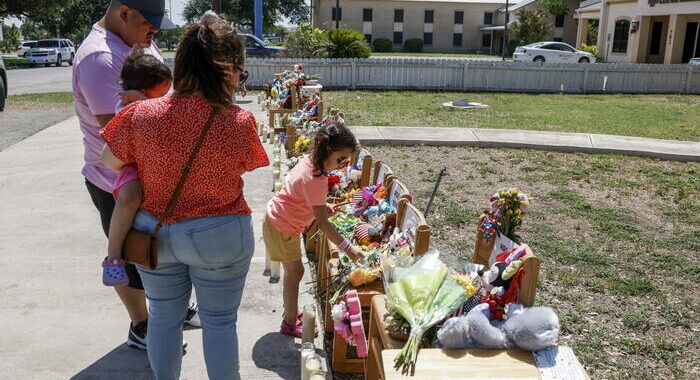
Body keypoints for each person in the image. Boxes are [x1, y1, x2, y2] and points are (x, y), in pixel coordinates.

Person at [100, 15, 269, 380]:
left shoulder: (140, 114)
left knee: (162, 317)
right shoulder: (239, 120)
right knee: (220, 323)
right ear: (229, 69)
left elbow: (110, 161)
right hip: (219, 233)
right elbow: (247, 164)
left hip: (155, 233)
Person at [72, 0, 198, 350]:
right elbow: (119, 134)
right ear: (123, 12)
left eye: (156, 28)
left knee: (158, 251)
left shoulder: (136, 41)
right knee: (132, 256)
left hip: (150, 174)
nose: (152, 33)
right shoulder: (101, 58)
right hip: (118, 181)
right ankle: (141, 326)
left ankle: (168, 310)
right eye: (148, 24)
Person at [264, 123, 364, 337]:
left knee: (294, 272)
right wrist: (350, 250)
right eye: (341, 159)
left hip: (279, 220)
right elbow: (324, 224)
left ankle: (289, 312)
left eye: (347, 160)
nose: (344, 164)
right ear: (327, 150)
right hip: (282, 226)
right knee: (295, 272)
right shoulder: (317, 179)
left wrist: (320, 206)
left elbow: (301, 194)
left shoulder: (311, 163)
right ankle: (289, 323)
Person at [102, 50, 172, 287]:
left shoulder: (143, 101)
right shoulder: (125, 106)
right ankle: (113, 256)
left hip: (155, 164)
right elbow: (145, 118)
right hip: (132, 167)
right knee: (130, 197)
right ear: (142, 91)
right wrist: (143, 102)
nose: (166, 99)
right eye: (161, 94)